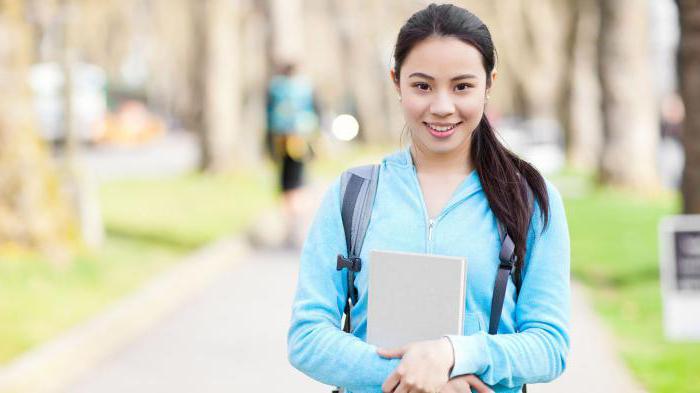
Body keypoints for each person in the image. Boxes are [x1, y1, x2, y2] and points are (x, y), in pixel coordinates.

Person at [288, 4, 570, 393]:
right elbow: (307, 337)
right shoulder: (352, 194)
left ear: (489, 84)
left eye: (462, 86)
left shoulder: (531, 199)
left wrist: (454, 355)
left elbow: (549, 346)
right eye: (422, 85)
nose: (441, 107)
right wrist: (412, 378)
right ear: (396, 83)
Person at [266, 62, 319, 247]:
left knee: (287, 185)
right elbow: (315, 114)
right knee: (300, 182)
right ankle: (298, 225)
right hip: (301, 142)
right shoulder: (305, 88)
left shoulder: (275, 89)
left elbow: (269, 116)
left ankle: (291, 225)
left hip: (281, 141)